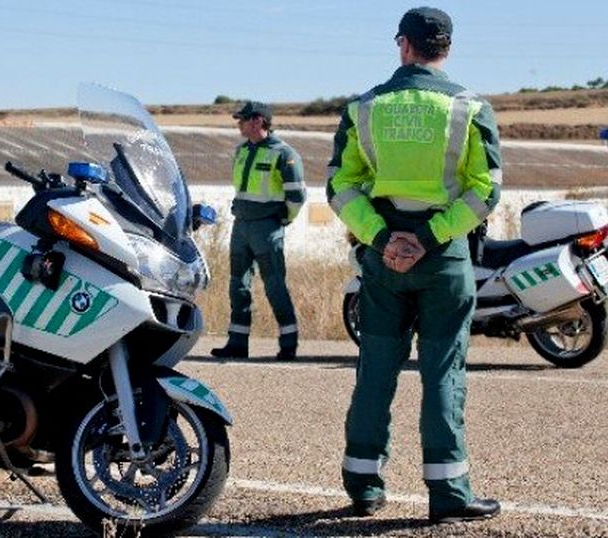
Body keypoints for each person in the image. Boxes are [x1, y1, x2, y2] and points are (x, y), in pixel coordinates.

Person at [327, 7, 503, 523]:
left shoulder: (362, 108)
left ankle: (363, 487)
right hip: (444, 257)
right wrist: (427, 238)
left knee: (375, 370)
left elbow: (340, 186)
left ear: (403, 45)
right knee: (443, 370)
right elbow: (486, 191)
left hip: (383, 260)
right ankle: (449, 495)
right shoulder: (471, 108)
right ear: (446, 48)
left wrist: (385, 238)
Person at [211, 101, 306, 361]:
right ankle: (237, 343)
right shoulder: (241, 151)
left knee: (274, 285)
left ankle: (289, 343)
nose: (239, 125)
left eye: (242, 120)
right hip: (241, 225)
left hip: (267, 227)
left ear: (258, 121)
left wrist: (281, 221)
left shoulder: (284, 153)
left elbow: (297, 196)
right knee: (237, 285)